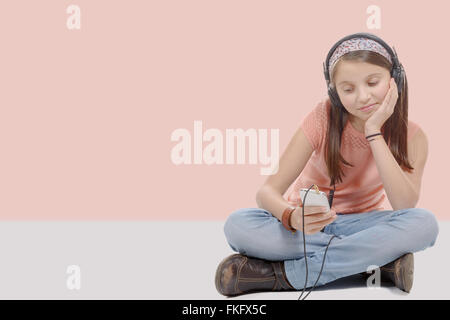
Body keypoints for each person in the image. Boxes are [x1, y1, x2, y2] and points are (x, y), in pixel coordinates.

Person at [215, 33, 439, 297]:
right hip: (305, 228)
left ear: (395, 80)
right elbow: (266, 192)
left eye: (372, 82)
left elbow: (404, 205)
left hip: (362, 225)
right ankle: (370, 263)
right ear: (335, 93)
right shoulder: (322, 117)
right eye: (348, 89)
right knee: (237, 225)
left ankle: (288, 276)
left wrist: (374, 131)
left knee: (425, 224)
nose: (363, 97)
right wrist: (291, 216)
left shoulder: (413, 137)